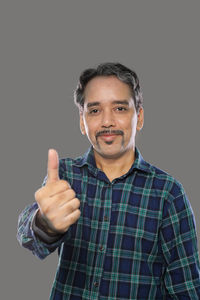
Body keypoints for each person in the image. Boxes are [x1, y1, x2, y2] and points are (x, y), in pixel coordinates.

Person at [17, 62, 200, 299]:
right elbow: (29, 240)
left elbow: (186, 288)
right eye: (94, 110)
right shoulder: (65, 176)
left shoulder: (168, 193)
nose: (107, 122)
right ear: (82, 122)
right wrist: (45, 224)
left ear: (140, 117)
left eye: (120, 109)